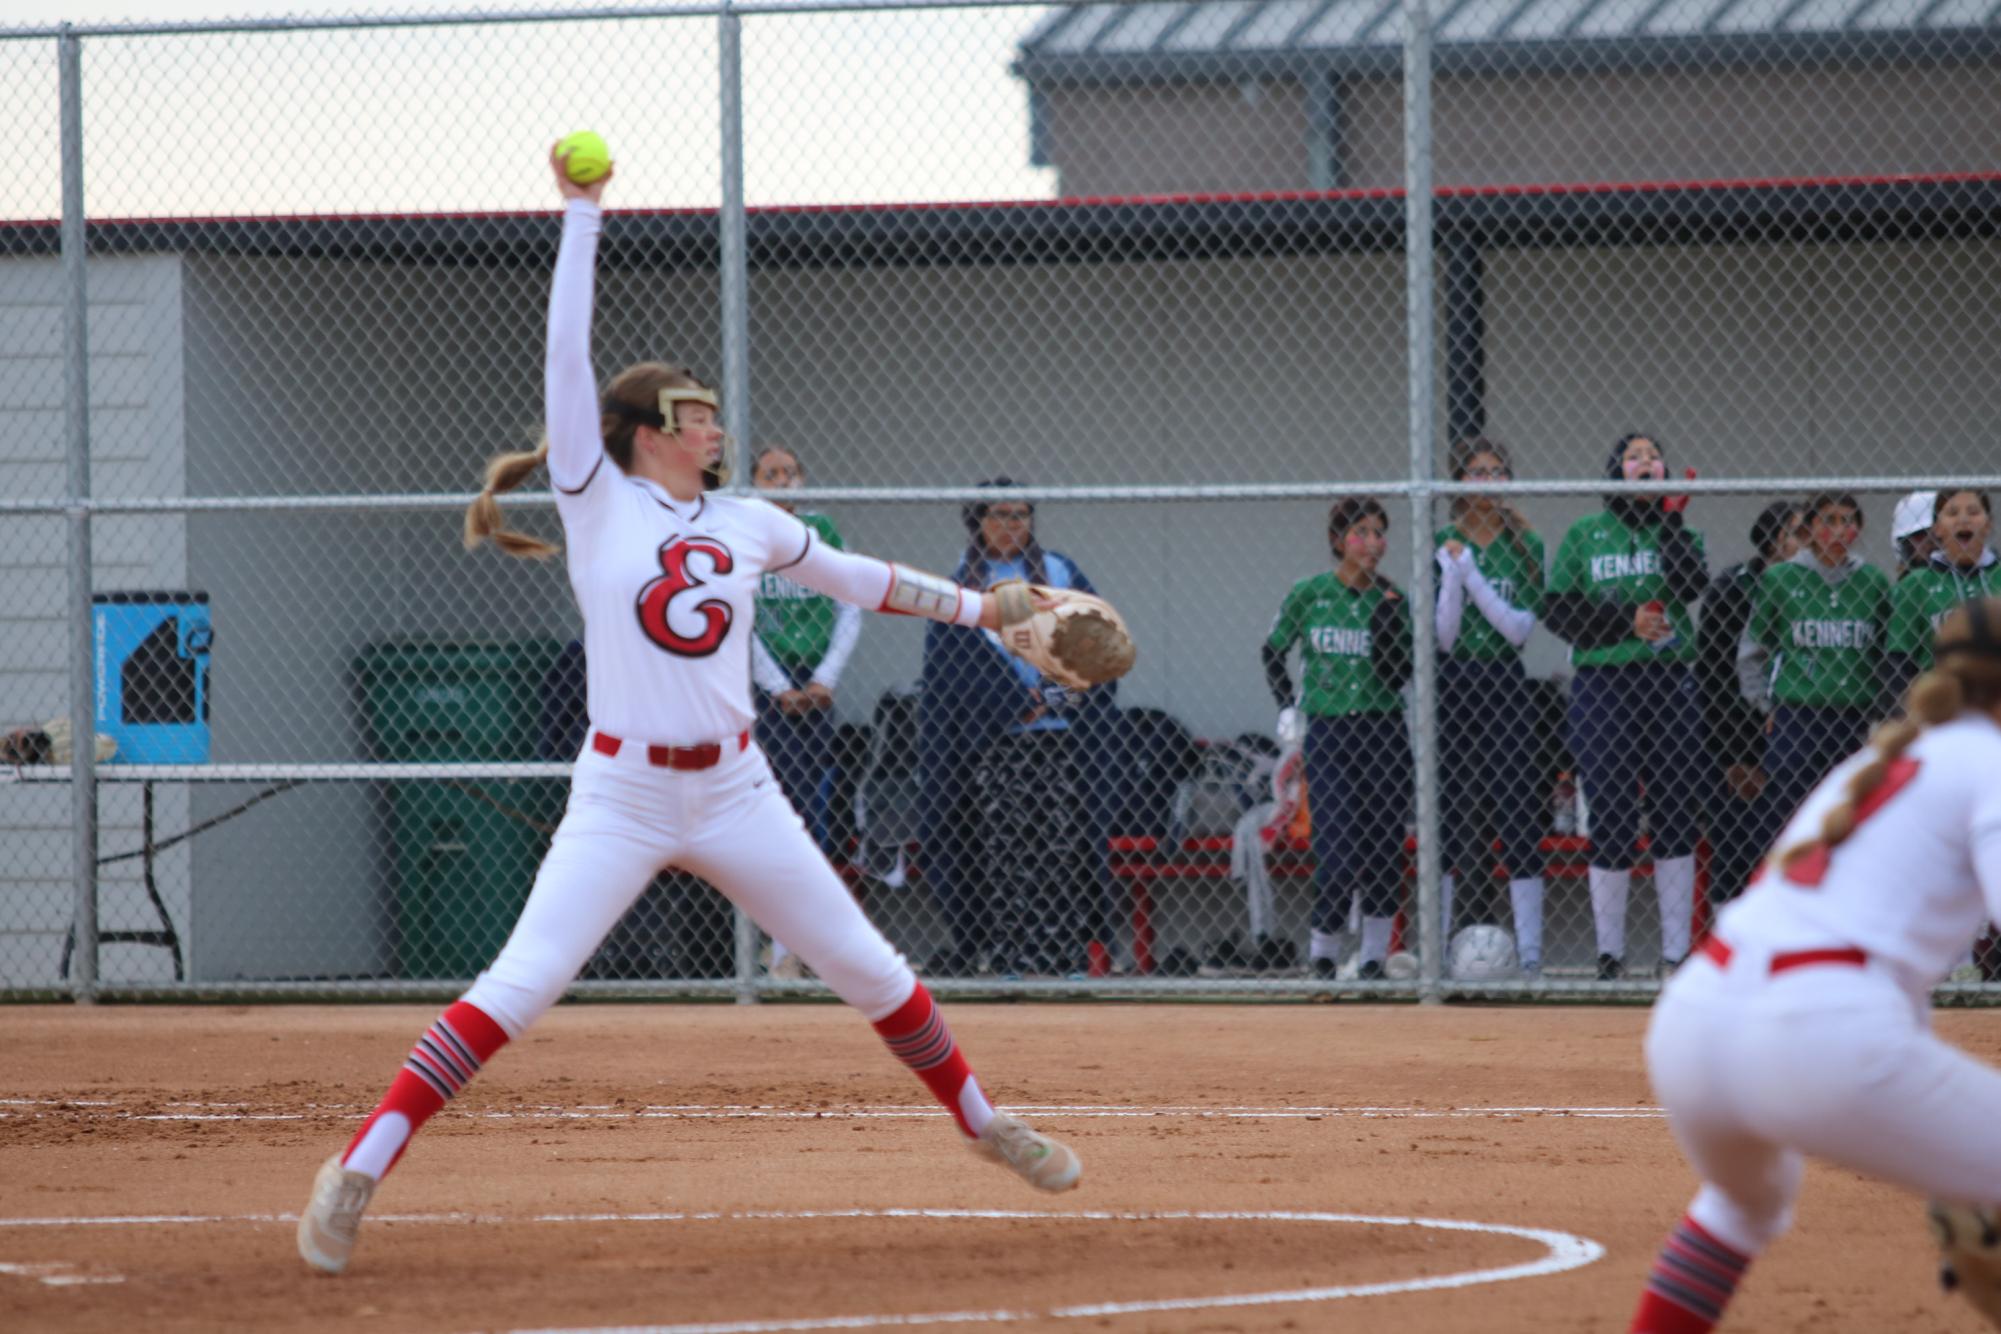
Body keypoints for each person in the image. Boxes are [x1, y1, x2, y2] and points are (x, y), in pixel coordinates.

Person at [294, 148, 1082, 1277]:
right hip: (621, 788)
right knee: (520, 984)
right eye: (695, 415)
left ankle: (981, 1123)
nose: (713, 429)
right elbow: (566, 355)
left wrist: (988, 609)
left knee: (873, 970)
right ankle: (358, 1167)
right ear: (645, 429)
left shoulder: (751, 519)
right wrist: (581, 217)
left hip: (736, 785)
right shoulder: (596, 497)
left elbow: (862, 583)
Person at [1629, 599, 2001, 1334]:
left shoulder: (1880, 758)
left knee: (1741, 1206)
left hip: (1693, 1023)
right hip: (1816, 1036)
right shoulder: (1988, 761)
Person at [915, 480, 1120, 980]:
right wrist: (1010, 705)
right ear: (977, 521)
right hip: (996, 744)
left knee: (1062, 848)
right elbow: (951, 673)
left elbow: (1099, 645)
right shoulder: (961, 585)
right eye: (1000, 514)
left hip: (1062, 739)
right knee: (1005, 852)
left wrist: (1048, 697)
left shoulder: (1059, 572)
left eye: (1022, 514)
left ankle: (1067, 958)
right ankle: (1012, 958)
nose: (1012, 524)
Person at [1544, 433, 1708, 981]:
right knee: (1611, 812)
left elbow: (1689, 586)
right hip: (1604, 685)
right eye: (1634, 457)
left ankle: (1676, 953)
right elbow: (1560, 611)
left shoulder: (1677, 528)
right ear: (1616, 472)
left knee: (1673, 812)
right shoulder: (1584, 534)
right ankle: (1610, 954)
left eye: (1653, 456)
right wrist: (1624, 624)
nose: (1645, 462)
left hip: (1668, 682)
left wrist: (1672, 521)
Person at [1264, 497, 1414, 981]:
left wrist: (1389, 632)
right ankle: (1323, 954)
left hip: (1382, 729)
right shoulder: (1310, 593)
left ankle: (1372, 959)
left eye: (1378, 533)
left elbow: (1399, 677)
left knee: (1383, 847)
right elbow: (1273, 650)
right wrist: (1288, 704)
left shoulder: (1392, 600)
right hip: (1330, 732)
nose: (1372, 543)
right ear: (1338, 540)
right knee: (1338, 848)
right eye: (1361, 533)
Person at [1432, 438, 1548, 977]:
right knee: (1454, 813)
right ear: (1459, 483)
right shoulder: (1442, 541)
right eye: (1476, 473)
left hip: (1504, 678)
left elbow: (1520, 629)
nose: (1487, 482)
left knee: (1517, 809)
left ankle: (1528, 955)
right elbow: (1445, 636)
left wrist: (1471, 574)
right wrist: (1453, 575)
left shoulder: (1526, 544)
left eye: (1497, 472)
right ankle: (1441, 947)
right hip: (1457, 680)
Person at [748, 445, 861, 979]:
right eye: (771, 474)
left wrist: (825, 678)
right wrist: (774, 685)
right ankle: (776, 947)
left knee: (812, 815)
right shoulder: (746, 532)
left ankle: (802, 944)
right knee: (771, 816)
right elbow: (735, 618)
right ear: (753, 482)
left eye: (791, 472)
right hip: (768, 695)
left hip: (816, 693)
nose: (783, 481)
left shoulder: (823, 533)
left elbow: (849, 606)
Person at [1746, 492, 1890, 860]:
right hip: (1799, 715)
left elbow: (1888, 652)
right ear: (1809, 528)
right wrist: (1764, 703)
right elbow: (1752, 651)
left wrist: (1884, 709)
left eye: (1847, 520)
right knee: (1790, 819)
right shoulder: (1781, 578)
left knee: (1856, 817)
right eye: (1828, 520)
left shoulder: (1872, 582)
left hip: (1854, 716)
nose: (1839, 529)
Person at [1696, 502, 1805, 906]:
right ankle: (1733, 951)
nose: (1809, 542)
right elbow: (1713, 678)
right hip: (1738, 741)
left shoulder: (1815, 588)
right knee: (1736, 852)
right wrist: (1737, 756)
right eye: (1798, 532)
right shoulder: (1734, 589)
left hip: (1799, 736)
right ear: (1776, 542)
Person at [1884, 489, 2001, 708]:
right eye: (1952, 512)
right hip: (1941, 704)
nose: (1964, 519)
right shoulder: (1917, 583)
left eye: (1974, 512)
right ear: (1937, 528)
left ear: (1988, 524)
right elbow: (1900, 658)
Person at [1890, 490, 1937, 579]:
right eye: (1920, 536)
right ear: (1904, 543)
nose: (1931, 544)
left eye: (1937, 536)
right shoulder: (1904, 588)